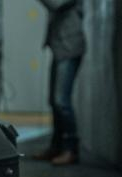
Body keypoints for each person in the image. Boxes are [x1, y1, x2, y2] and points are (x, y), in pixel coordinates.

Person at [34, 0, 85, 165]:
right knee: (54, 101)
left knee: (61, 101)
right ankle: (57, 146)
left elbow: (56, 3)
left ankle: (70, 149)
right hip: (60, 47)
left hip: (69, 47)